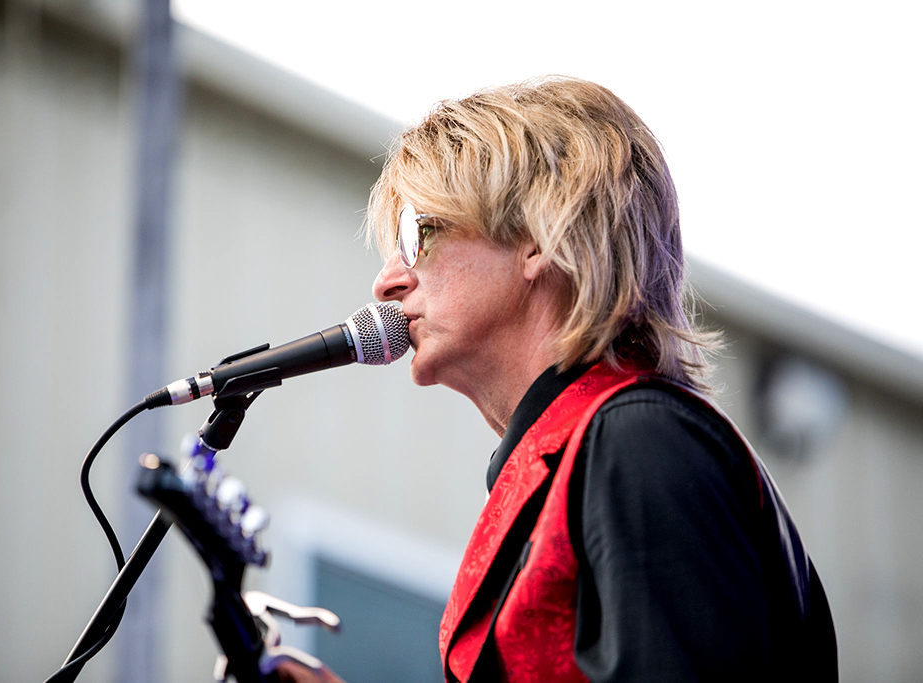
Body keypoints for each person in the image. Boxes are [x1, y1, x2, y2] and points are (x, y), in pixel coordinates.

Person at [279, 76, 837, 682]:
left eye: (419, 235)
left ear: (540, 238)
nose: (385, 281)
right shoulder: (597, 448)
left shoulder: (639, 441)